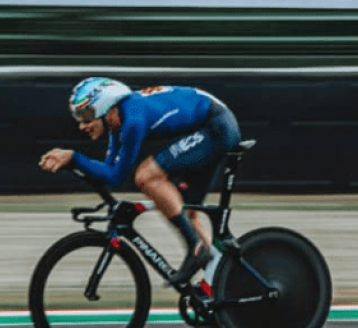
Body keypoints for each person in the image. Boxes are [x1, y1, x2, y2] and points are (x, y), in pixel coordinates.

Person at [39, 77, 241, 285]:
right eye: (79, 118)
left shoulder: (133, 120)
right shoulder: (119, 122)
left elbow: (116, 177)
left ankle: (196, 249)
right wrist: (72, 162)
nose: (82, 125)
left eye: (87, 115)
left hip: (217, 127)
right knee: (185, 211)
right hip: (212, 124)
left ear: (105, 105)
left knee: (146, 176)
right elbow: (110, 172)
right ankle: (222, 284)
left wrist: (74, 158)